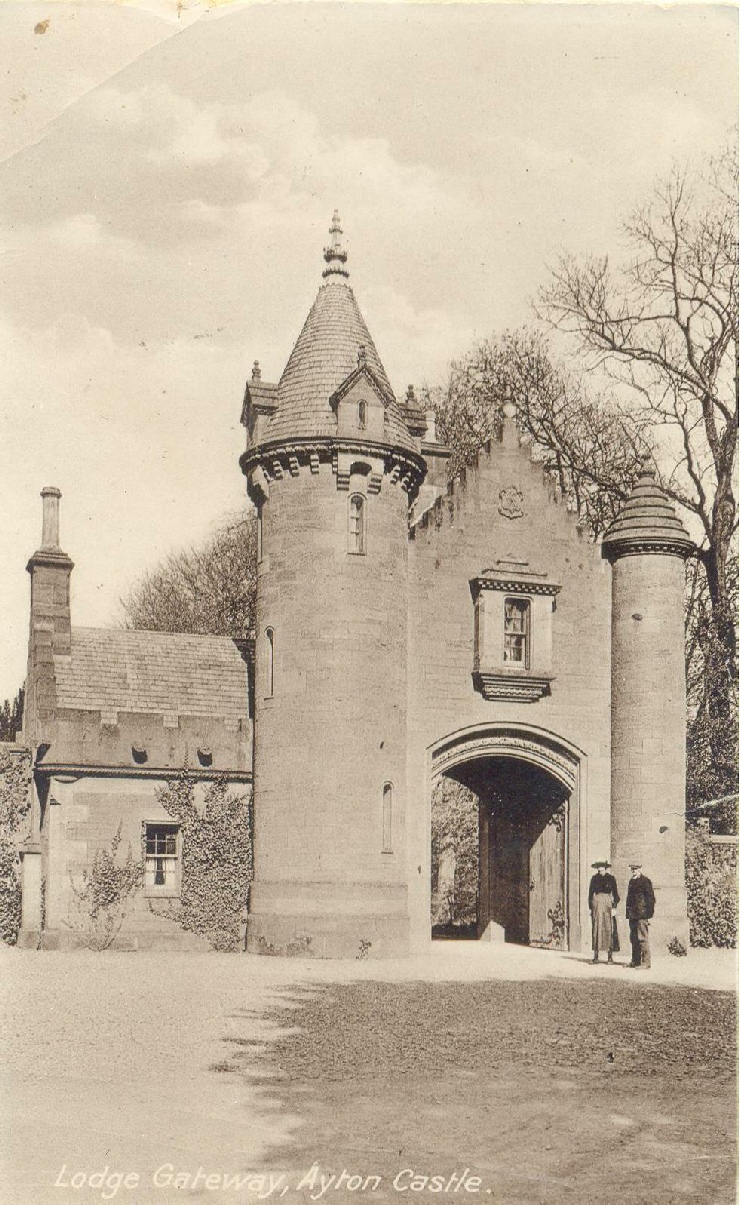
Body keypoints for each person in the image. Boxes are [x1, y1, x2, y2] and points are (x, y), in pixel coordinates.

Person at [588, 860, 620, 964]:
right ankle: (596, 956)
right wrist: (590, 908)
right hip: (596, 905)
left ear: (605, 868)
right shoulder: (594, 879)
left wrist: (614, 907)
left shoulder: (611, 878)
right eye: (598, 868)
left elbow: (615, 894)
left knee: (608, 928)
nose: (600, 870)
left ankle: (610, 957)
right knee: (596, 928)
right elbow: (590, 894)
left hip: (607, 905)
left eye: (602, 868)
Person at [625, 863, 655, 968]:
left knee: (642, 937)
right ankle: (635, 961)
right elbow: (629, 899)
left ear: (640, 869)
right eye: (632, 869)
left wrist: (648, 914)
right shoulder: (631, 881)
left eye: (636, 869)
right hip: (632, 914)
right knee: (633, 938)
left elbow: (651, 899)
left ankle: (646, 962)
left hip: (642, 914)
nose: (634, 871)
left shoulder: (645, 881)